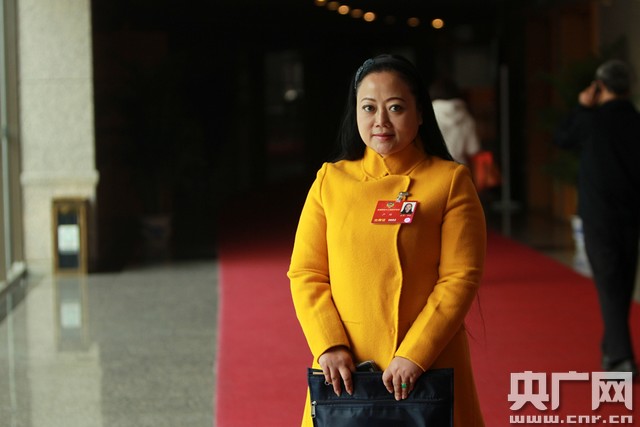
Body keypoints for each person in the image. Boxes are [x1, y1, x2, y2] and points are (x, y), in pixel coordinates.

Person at [288, 54, 487, 426]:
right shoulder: (330, 181)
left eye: (395, 107)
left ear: (420, 113)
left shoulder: (449, 181)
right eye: (368, 108)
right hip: (347, 366)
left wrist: (415, 354)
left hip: (427, 363)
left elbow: (460, 277)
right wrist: (328, 344)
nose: (380, 120)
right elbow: (305, 273)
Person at [553, 59, 640, 375]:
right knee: (622, 283)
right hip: (631, 213)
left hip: (599, 214)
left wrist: (581, 106)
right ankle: (612, 350)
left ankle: (619, 358)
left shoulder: (591, 121)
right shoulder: (636, 121)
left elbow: (561, 138)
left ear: (599, 87)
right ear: (629, 88)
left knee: (608, 282)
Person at [429, 77, 481, 165]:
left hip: (434, 167)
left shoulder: (428, 115)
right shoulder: (466, 117)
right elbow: (473, 149)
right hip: (459, 168)